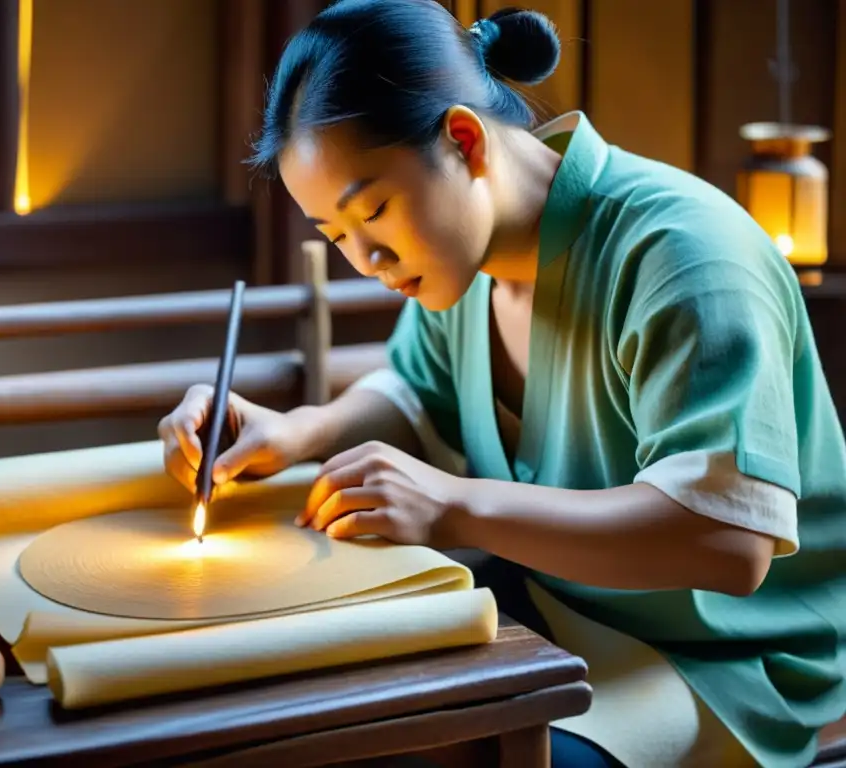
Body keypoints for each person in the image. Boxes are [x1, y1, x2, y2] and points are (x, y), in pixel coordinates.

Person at [157, 1, 846, 765]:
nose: (365, 261)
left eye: (374, 212)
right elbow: (419, 394)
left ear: (463, 141)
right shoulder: (466, 262)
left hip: (723, 665)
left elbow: (725, 541)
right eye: (337, 236)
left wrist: (453, 505)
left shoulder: (684, 255)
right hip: (549, 611)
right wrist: (296, 433)